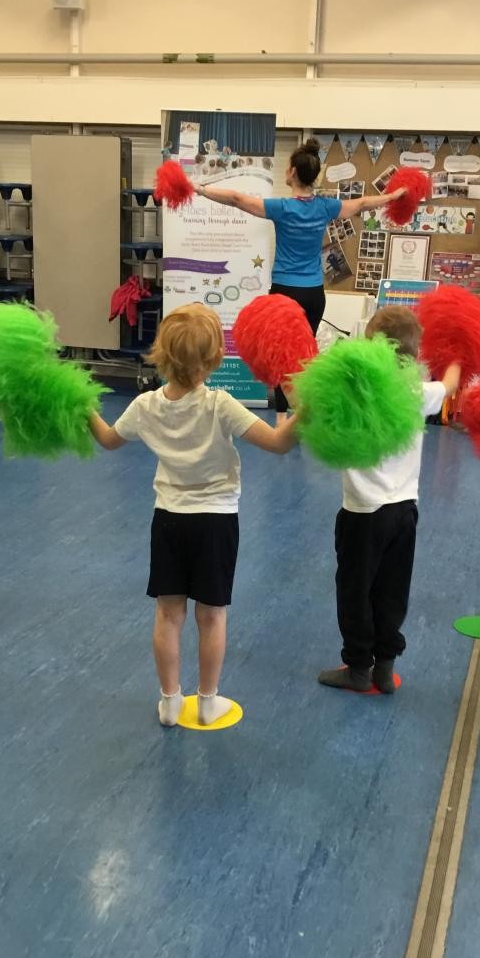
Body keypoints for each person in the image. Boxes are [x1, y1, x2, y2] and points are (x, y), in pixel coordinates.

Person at [89, 303, 298, 727]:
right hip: (216, 521)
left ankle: (169, 701)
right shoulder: (220, 405)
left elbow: (108, 440)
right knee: (212, 614)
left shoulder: (145, 406)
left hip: (169, 519)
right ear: (216, 359)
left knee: (168, 614)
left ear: (160, 354)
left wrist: (82, 406)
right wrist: (307, 411)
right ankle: (206, 701)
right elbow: (278, 443)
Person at [194, 138, 406, 426]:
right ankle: (305, 414)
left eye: (287, 167)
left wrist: (200, 189)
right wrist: (393, 196)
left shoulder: (282, 207)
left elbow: (236, 198)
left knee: (281, 356)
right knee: (304, 357)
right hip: (314, 294)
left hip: (284, 293)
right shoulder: (325, 207)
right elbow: (363, 203)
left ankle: (282, 418)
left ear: (292, 171)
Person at [318, 304, 461, 694]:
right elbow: (449, 384)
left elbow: (310, 401)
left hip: (363, 511)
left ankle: (358, 667)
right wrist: (459, 350)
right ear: (414, 353)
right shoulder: (416, 392)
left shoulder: (354, 389)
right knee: (391, 589)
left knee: (355, 590)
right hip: (404, 511)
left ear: (370, 345)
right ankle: (385, 666)